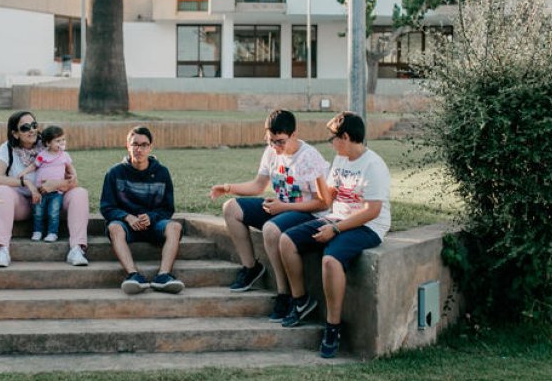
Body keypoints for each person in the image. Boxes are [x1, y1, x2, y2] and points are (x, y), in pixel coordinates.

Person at [276, 111, 390, 359]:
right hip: (336, 217)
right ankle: (301, 300)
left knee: (330, 260)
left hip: (368, 225)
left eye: (332, 138)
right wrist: (315, 174)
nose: (331, 143)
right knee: (286, 240)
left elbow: (373, 211)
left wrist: (336, 229)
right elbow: (328, 197)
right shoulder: (341, 160)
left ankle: (333, 327)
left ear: (346, 137)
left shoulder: (373, 165)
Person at [210, 109, 330, 322]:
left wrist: (284, 206)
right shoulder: (271, 152)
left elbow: (322, 202)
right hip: (281, 208)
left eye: (280, 142)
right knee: (231, 208)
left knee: (271, 229)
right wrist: (227, 187)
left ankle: (286, 295)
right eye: (271, 141)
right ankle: (251, 268)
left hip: (310, 214)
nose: (275, 147)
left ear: (294, 134)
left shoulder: (308, 157)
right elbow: (258, 185)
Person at [0, 111, 90, 268]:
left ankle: (76, 249)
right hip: (24, 205)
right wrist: (25, 183)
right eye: (25, 127)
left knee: (80, 193)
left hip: (54, 201)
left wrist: (55, 184)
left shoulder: (50, 144)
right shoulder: (7, 149)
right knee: (1, 191)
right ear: (15, 133)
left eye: (34, 125)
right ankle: (2, 250)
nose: (32, 130)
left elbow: (73, 181)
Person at [100, 126, 185, 295]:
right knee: (113, 227)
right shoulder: (114, 173)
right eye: (135, 144)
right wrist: (126, 217)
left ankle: (163, 276)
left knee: (175, 227)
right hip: (126, 226)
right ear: (128, 146)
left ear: (150, 147)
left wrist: (152, 217)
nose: (139, 149)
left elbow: (168, 208)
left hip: (154, 225)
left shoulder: (162, 173)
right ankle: (133, 275)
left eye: (144, 145)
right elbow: (106, 207)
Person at [22, 125, 74, 242]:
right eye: (57, 141)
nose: (61, 143)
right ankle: (37, 231)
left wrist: (74, 175)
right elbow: (34, 166)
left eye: (63, 140)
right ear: (48, 143)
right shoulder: (42, 155)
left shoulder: (64, 156)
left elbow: (70, 168)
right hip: (40, 191)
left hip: (57, 192)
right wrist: (24, 172)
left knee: (53, 213)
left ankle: (52, 233)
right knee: (38, 212)